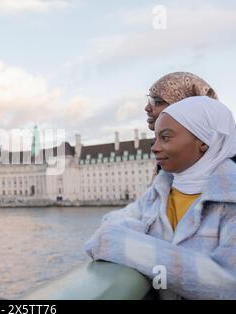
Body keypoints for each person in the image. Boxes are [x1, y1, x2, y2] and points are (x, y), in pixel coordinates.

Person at [84, 96, 236, 299]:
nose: (154, 147)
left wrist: (129, 245)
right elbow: (107, 227)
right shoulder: (160, 190)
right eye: (155, 138)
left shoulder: (230, 200)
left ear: (203, 141)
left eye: (165, 137)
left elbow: (228, 284)